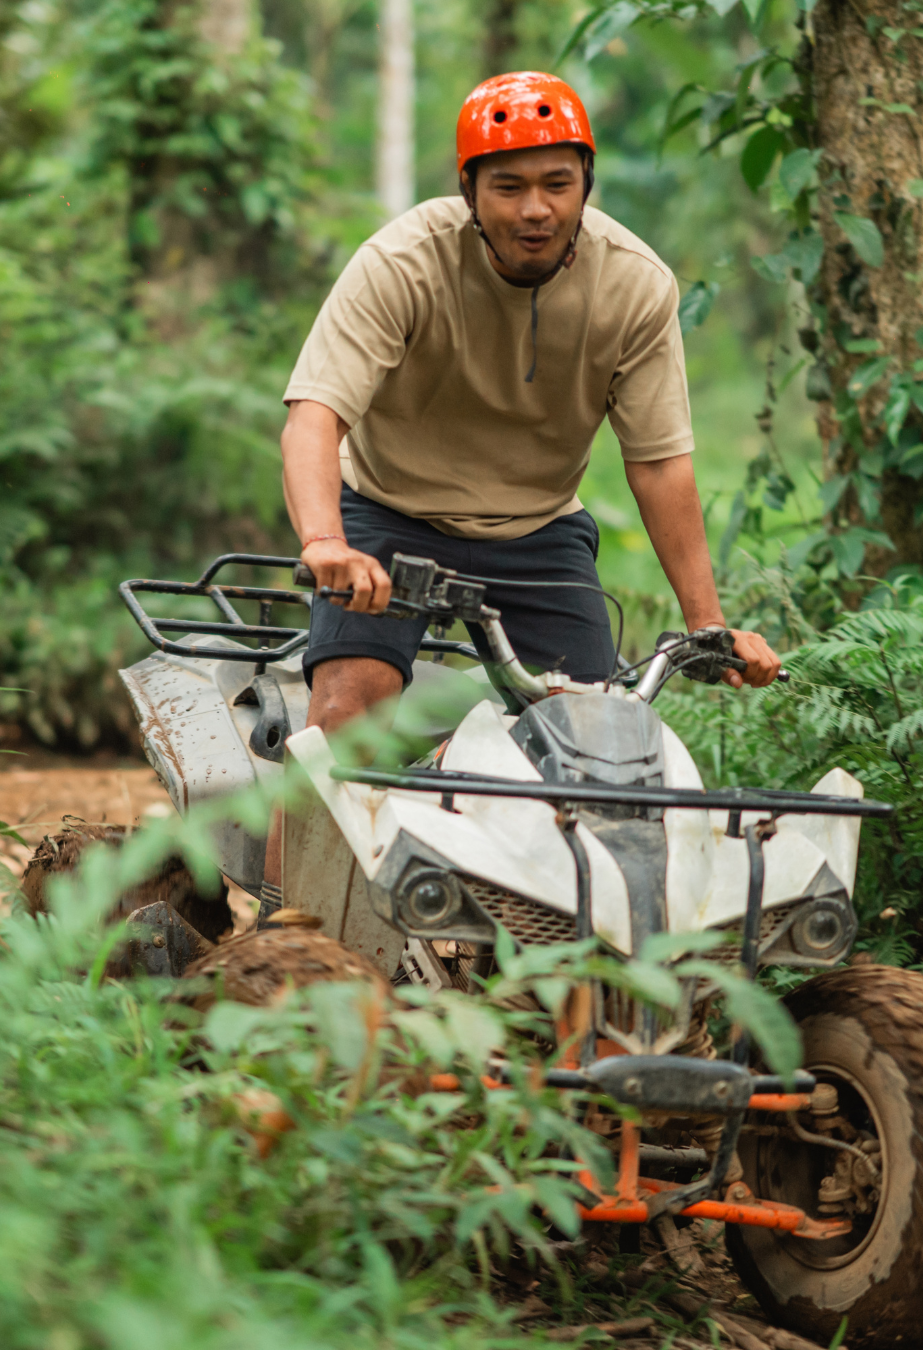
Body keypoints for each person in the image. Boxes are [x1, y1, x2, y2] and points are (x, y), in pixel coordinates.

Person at [258, 70, 780, 920]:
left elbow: (659, 461)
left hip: (538, 529)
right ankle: (284, 936)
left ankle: (576, 960)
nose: (534, 208)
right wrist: (325, 541)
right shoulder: (402, 262)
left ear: (586, 184)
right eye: (508, 186)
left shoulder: (635, 285)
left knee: (603, 746)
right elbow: (315, 415)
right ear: (469, 189)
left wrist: (706, 624)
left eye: (556, 183)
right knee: (347, 710)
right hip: (388, 515)